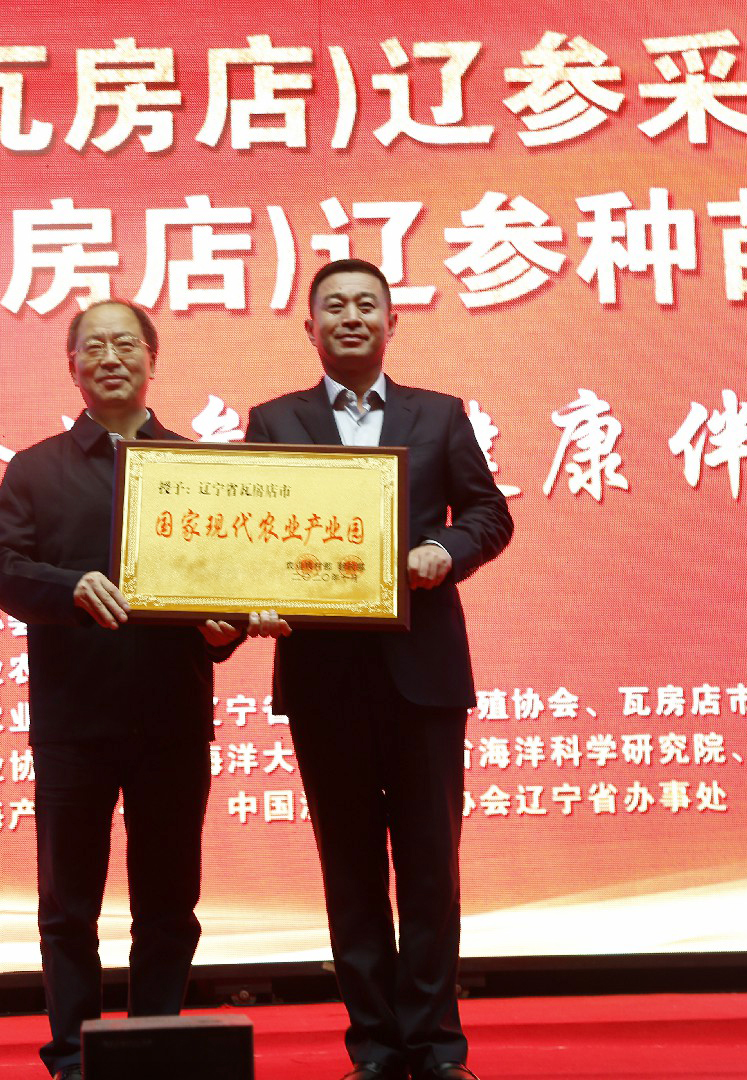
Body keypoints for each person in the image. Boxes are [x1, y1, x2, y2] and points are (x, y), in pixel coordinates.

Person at [0, 299, 286, 1080]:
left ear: (153, 359)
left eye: (125, 345)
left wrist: (226, 631)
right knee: (68, 907)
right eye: (94, 347)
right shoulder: (35, 468)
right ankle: (72, 1057)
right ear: (72, 366)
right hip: (73, 721)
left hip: (171, 717)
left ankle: (156, 1046)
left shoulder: (199, 469)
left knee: (169, 905)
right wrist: (69, 585)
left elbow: (226, 588)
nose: (110, 358)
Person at [244, 259, 514, 1080]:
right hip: (323, 677)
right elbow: (250, 532)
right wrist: (252, 599)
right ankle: (374, 1048)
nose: (351, 316)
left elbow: (489, 513)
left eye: (367, 304)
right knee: (351, 868)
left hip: (422, 675)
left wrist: (447, 549)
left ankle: (436, 1046)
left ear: (392, 323)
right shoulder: (274, 421)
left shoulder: (439, 415)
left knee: (431, 867)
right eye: (335, 306)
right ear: (311, 328)